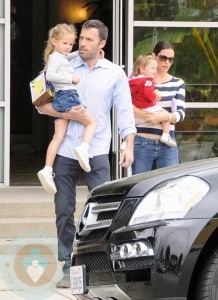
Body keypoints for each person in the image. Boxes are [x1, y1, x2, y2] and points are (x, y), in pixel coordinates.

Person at [37, 19, 136, 288]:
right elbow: (39, 101)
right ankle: (68, 266)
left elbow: (124, 111)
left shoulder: (114, 73)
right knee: (63, 210)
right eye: (81, 39)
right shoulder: (64, 62)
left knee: (104, 211)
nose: (81, 44)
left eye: (89, 40)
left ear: (102, 43)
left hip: (97, 150)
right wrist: (65, 113)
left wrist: (128, 144)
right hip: (67, 149)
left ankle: (99, 264)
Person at [37, 23, 97, 195]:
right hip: (68, 96)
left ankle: (47, 169)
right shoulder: (56, 59)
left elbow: (68, 57)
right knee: (92, 122)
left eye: (71, 44)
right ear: (54, 41)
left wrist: (79, 52)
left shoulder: (59, 56)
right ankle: (83, 148)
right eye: (65, 43)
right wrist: (71, 79)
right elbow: (50, 75)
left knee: (58, 136)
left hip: (60, 98)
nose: (68, 47)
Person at [132, 41, 185, 175]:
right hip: (141, 142)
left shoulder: (178, 83)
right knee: (140, 187)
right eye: (163, 58)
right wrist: (149, 117)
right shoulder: (139, 80)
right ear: (154, 56)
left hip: (167, 144)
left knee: (170, 187)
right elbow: (127, 107)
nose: (167, 62)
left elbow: (180, 113)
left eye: (171, 59)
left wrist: (164, 117)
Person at [129, 54, 176, 147]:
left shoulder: (132, 81)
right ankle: (166, 135)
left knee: (131, 125)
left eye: (171, 59)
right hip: (148, 107)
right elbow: (148, 93)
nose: (155, 71)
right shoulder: (148, 81)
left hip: (138, 107)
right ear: (142, 69)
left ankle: (126, 142)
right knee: (165, 114)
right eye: (152, 68)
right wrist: (156, 97)